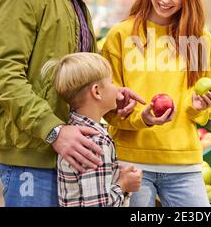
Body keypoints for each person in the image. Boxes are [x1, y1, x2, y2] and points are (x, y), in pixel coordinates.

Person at [0, 0, 145, 207]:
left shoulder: (77, 6)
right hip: (32, 159)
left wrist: (109, 97)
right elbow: (2, 76)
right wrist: (53, 130)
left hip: (69, 158)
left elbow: (80, 80)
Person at [102, 0, 211, 207]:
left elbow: (204, 111)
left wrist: (197, 107)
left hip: (183, 162)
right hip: (131, 162)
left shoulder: (200, 40)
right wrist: (141, 118)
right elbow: (108, 108)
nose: (166, 0)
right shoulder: (121, 36)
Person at [43, 52, 142, 207]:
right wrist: (123, 185)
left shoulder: (75, 131)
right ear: (96, 91)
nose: (117, 90)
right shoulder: (95, 141)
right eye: (112, 82)